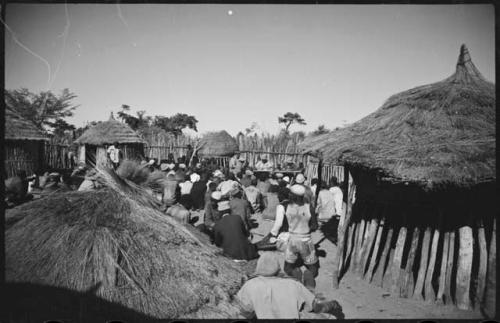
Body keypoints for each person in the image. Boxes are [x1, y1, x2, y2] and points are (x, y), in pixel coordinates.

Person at [236, 252, 344, 320]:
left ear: (259, 267)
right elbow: (315, 306)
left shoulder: (249, 285)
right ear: (278, 268)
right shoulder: (293, 285)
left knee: (302, 282)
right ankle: (305, 276)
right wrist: (332, 305)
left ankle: (302, 275)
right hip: (296, 291)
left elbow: (245, 312)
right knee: (308, 287)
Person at [272, 185, 319, 292]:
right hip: (306, 240)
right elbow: (315, 226)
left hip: (292, 240)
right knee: (313, 267)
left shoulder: (286, 206)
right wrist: (305, 227)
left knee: (287, 267)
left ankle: (295, 273)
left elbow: (281, 223)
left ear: (291, 195)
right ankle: (308, 274)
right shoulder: (309, 207)